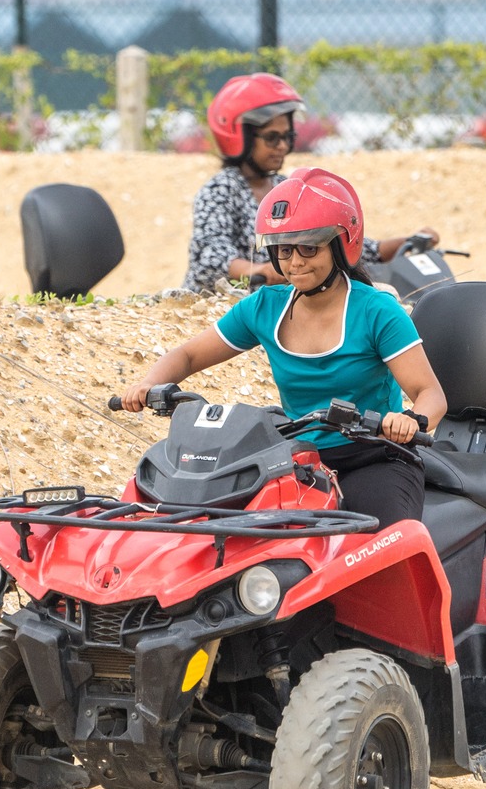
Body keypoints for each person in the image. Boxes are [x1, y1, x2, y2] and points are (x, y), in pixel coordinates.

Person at [127, 167, 448, 530]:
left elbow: (431, 394)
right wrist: (149, 383)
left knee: (383, 549)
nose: (294, 262)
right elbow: (186, 355)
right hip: (294, 462)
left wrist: (410, 420)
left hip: (375, 458)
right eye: (282, 249)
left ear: (342, 244)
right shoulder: (264, 306)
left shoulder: (376, 310)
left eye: (309, 247)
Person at [182, 73, 443, 293]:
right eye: (272, 138)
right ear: (239, 137)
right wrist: (261, 270)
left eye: (287, 136)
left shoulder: (286, 188)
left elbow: (336, 242)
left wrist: (407, 242)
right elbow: (211, 258)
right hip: (223, 308)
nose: (282, 146)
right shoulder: (220, 191)